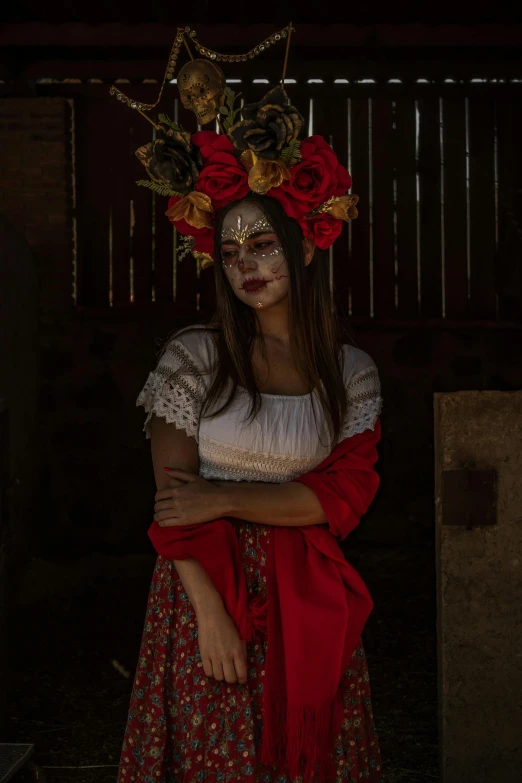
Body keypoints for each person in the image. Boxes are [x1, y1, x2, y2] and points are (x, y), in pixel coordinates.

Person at [116, 77, 383, 783]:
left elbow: (342, 500)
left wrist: (223, 497)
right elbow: (175, 502)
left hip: (308, 598)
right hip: (207, 582)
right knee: (215, 757)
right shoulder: (195, 357)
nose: (246, 267)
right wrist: (209, 612)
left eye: (263, 245)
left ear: (306, 249)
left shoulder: (349, 373)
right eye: (231, 254)